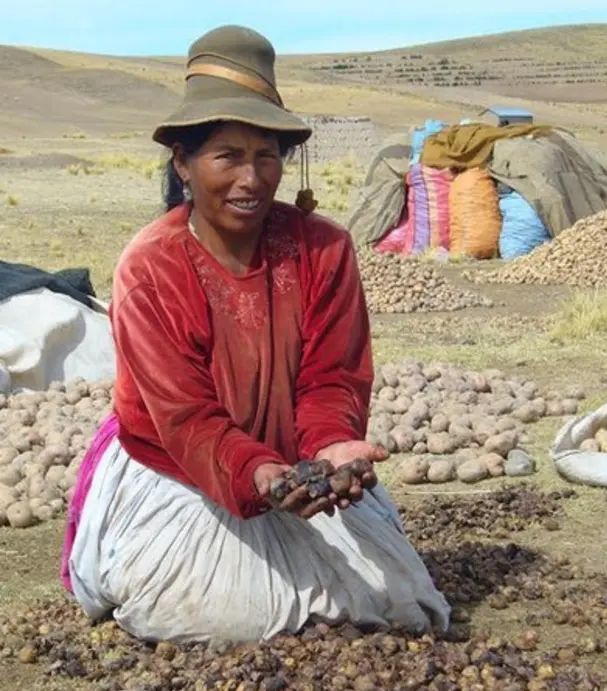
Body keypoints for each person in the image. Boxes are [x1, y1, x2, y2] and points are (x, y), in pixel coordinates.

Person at [61, 25, 450, 644]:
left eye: (266, 156)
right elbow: (186, 418)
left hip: (300, 469)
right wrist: (258, 473)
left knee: (404, 601)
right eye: (228, 156)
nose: (251, 178)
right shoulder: (150, 268)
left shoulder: (323, 249)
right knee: (213, 612)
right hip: (181, 468)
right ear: (183, 162)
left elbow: (332, 376)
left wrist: (329, 447)